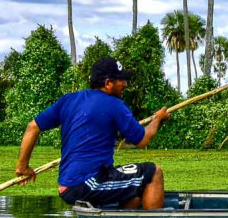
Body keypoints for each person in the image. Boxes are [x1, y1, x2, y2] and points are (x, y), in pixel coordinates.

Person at [15, 56, 171, 210]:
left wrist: (22, 167)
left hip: (66, 186)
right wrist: (157, 119)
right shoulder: (115, 104)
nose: (125, 84)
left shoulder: (69, 100)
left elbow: (32, 127)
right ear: (108, 83)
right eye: (121, 80)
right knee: (153, 172)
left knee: (135, 193)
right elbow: (143, 139)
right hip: (89, 183)